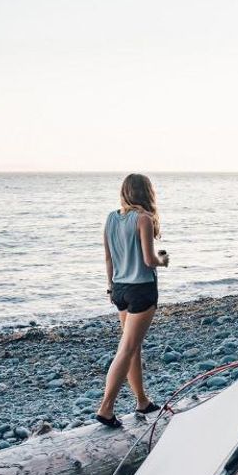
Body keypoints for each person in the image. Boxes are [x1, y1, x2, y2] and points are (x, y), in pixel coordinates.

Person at [94, 173, 169, 429]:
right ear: (147, 193)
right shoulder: (144, 219)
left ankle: (141, 401)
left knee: (133, 347)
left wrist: (110, 287)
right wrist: (164, 260)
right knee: (127, 349)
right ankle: (106, 408)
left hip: (119, 289)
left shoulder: (111, 217)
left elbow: (108, 258)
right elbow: (149, 260)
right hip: (141, 290)